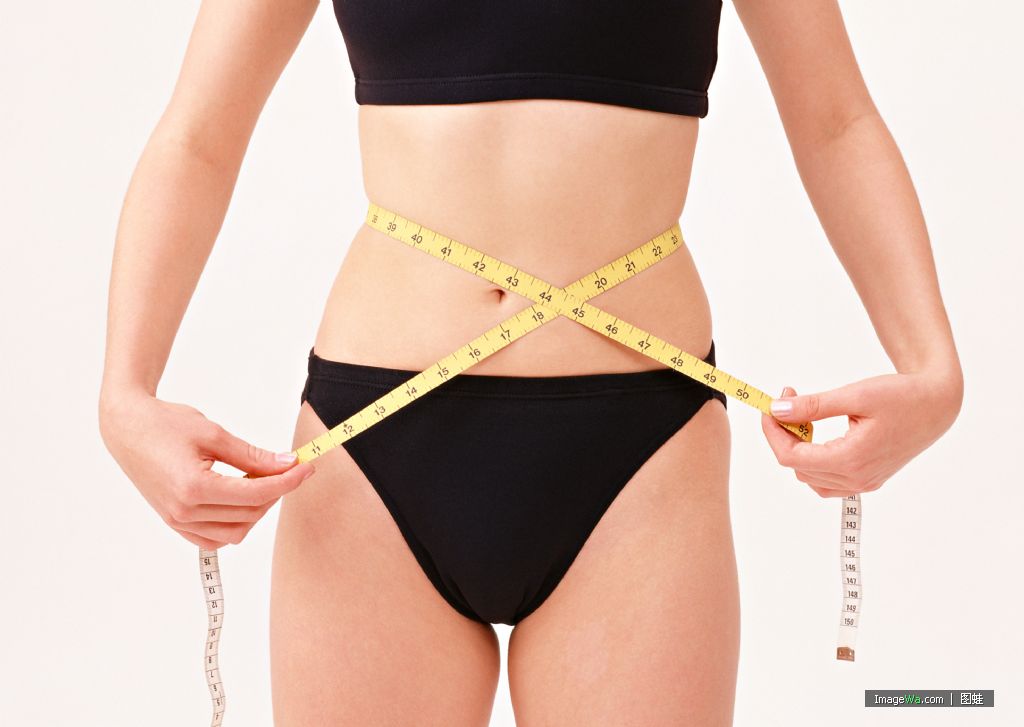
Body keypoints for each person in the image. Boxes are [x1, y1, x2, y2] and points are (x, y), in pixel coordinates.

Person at [97, 0, 964, 724]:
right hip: (371, 453)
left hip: (642, 453)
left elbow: (837, 121)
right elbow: (198, 133)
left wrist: (933, 367)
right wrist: (125, 392)